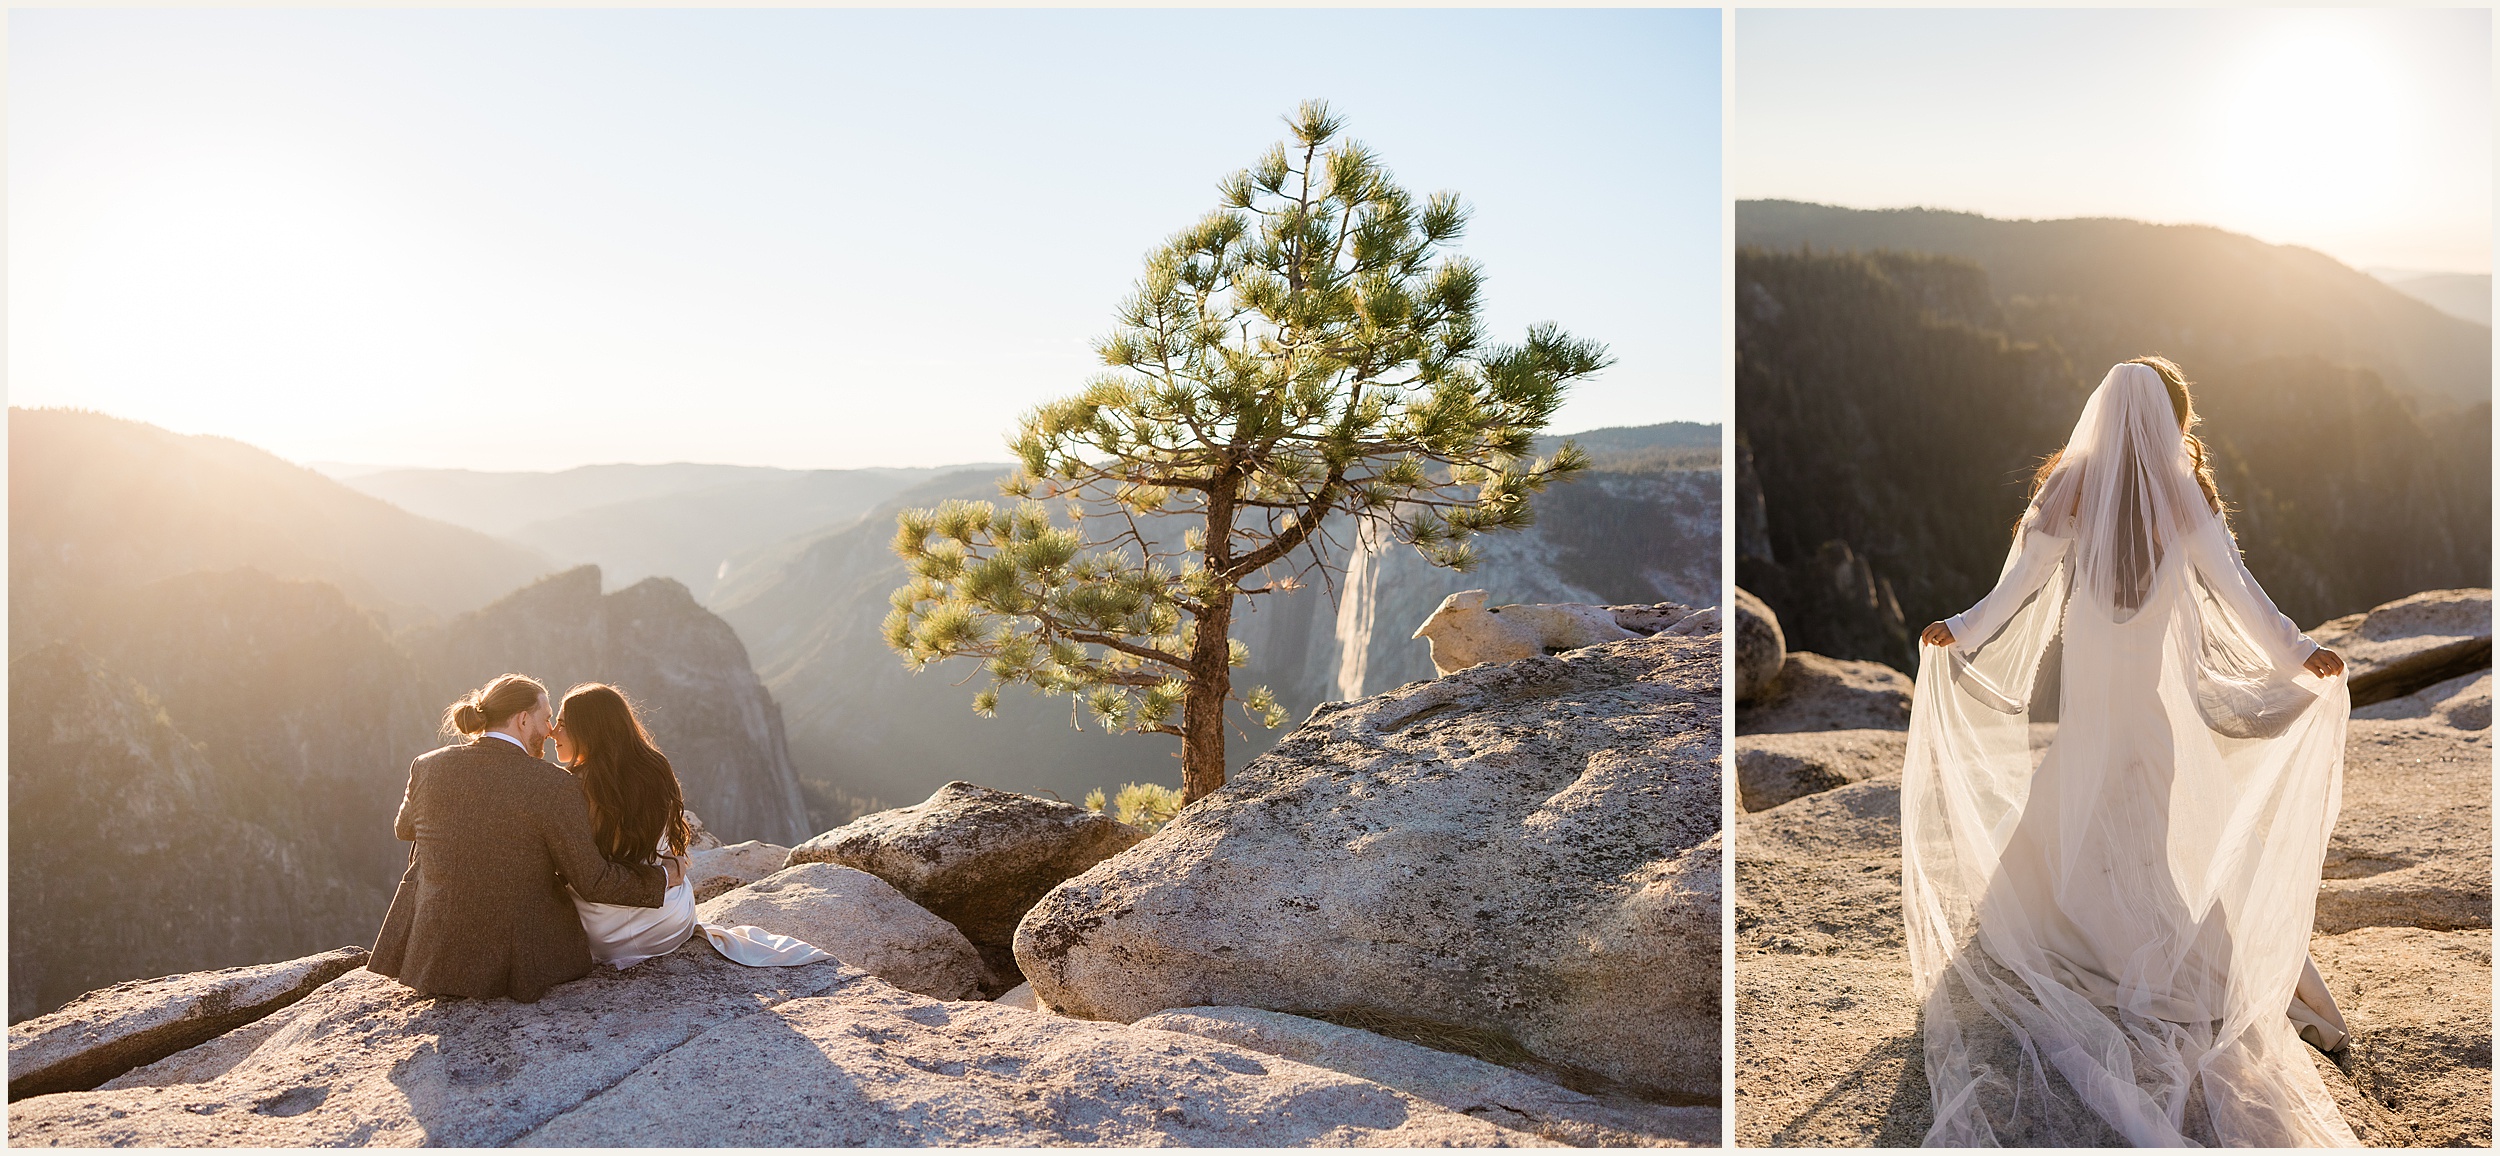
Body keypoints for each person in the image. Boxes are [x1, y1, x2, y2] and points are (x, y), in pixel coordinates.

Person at [1903, 358, 2357, 1146]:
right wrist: (2297, 652)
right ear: (2174, 423)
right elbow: (2238, 587)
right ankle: (2134, 933)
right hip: (2143, 688)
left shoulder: (2074, 484)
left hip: (2103, 682)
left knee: (2089, 786)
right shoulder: (2174, 492)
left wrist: (1966, 628)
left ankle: (2077, 926)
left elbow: (2019, 581)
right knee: (2140, 798)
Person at [369, 674, 679, 1003]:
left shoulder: (428, 764)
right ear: (522, 720)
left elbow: (405, 829)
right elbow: (593, 882)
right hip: (513, 967)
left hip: (433, 957)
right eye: (546, 719)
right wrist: (662, 877)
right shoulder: (553, 784)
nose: (550, 731)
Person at [553, 682, 830, 969]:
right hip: (670, 922)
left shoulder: (571, 788)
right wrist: (668, 872)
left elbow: (590, 875)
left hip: (605, 936)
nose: (552, 731)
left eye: (562, 723)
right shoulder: (654, 767)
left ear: (588, 729)